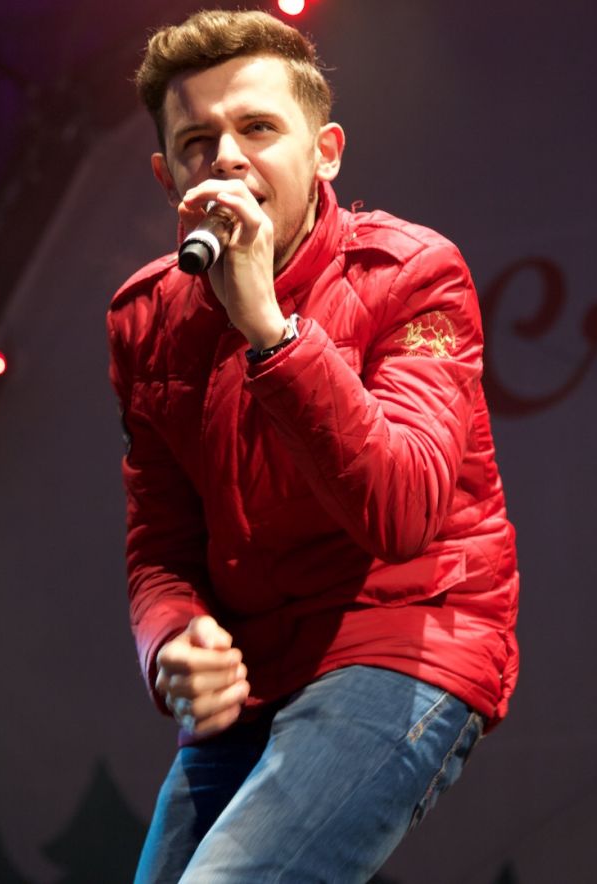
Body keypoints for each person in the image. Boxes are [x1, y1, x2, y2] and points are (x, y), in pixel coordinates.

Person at [107, 9, 520, 882]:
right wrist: (171, 640)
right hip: (258, 670)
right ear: (166, 174)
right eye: (196, 142)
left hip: (403, 636)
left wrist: (270, 328)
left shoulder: (413, 274)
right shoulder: (146, 319)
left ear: (325, 152)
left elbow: (402, 511)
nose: (226, 158)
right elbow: (161, 544)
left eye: (258, 128)